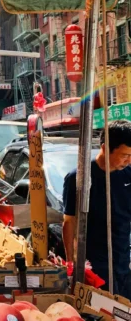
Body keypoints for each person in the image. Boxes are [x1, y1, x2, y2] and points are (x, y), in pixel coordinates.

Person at [62, 120, 131, 297]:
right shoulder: (79, 178)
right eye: (125, 155)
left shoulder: (129, 174)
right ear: (105, 147)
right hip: (94, 265)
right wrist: (71, 262)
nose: (128, 160)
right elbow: (69, 222)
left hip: (123, 260)